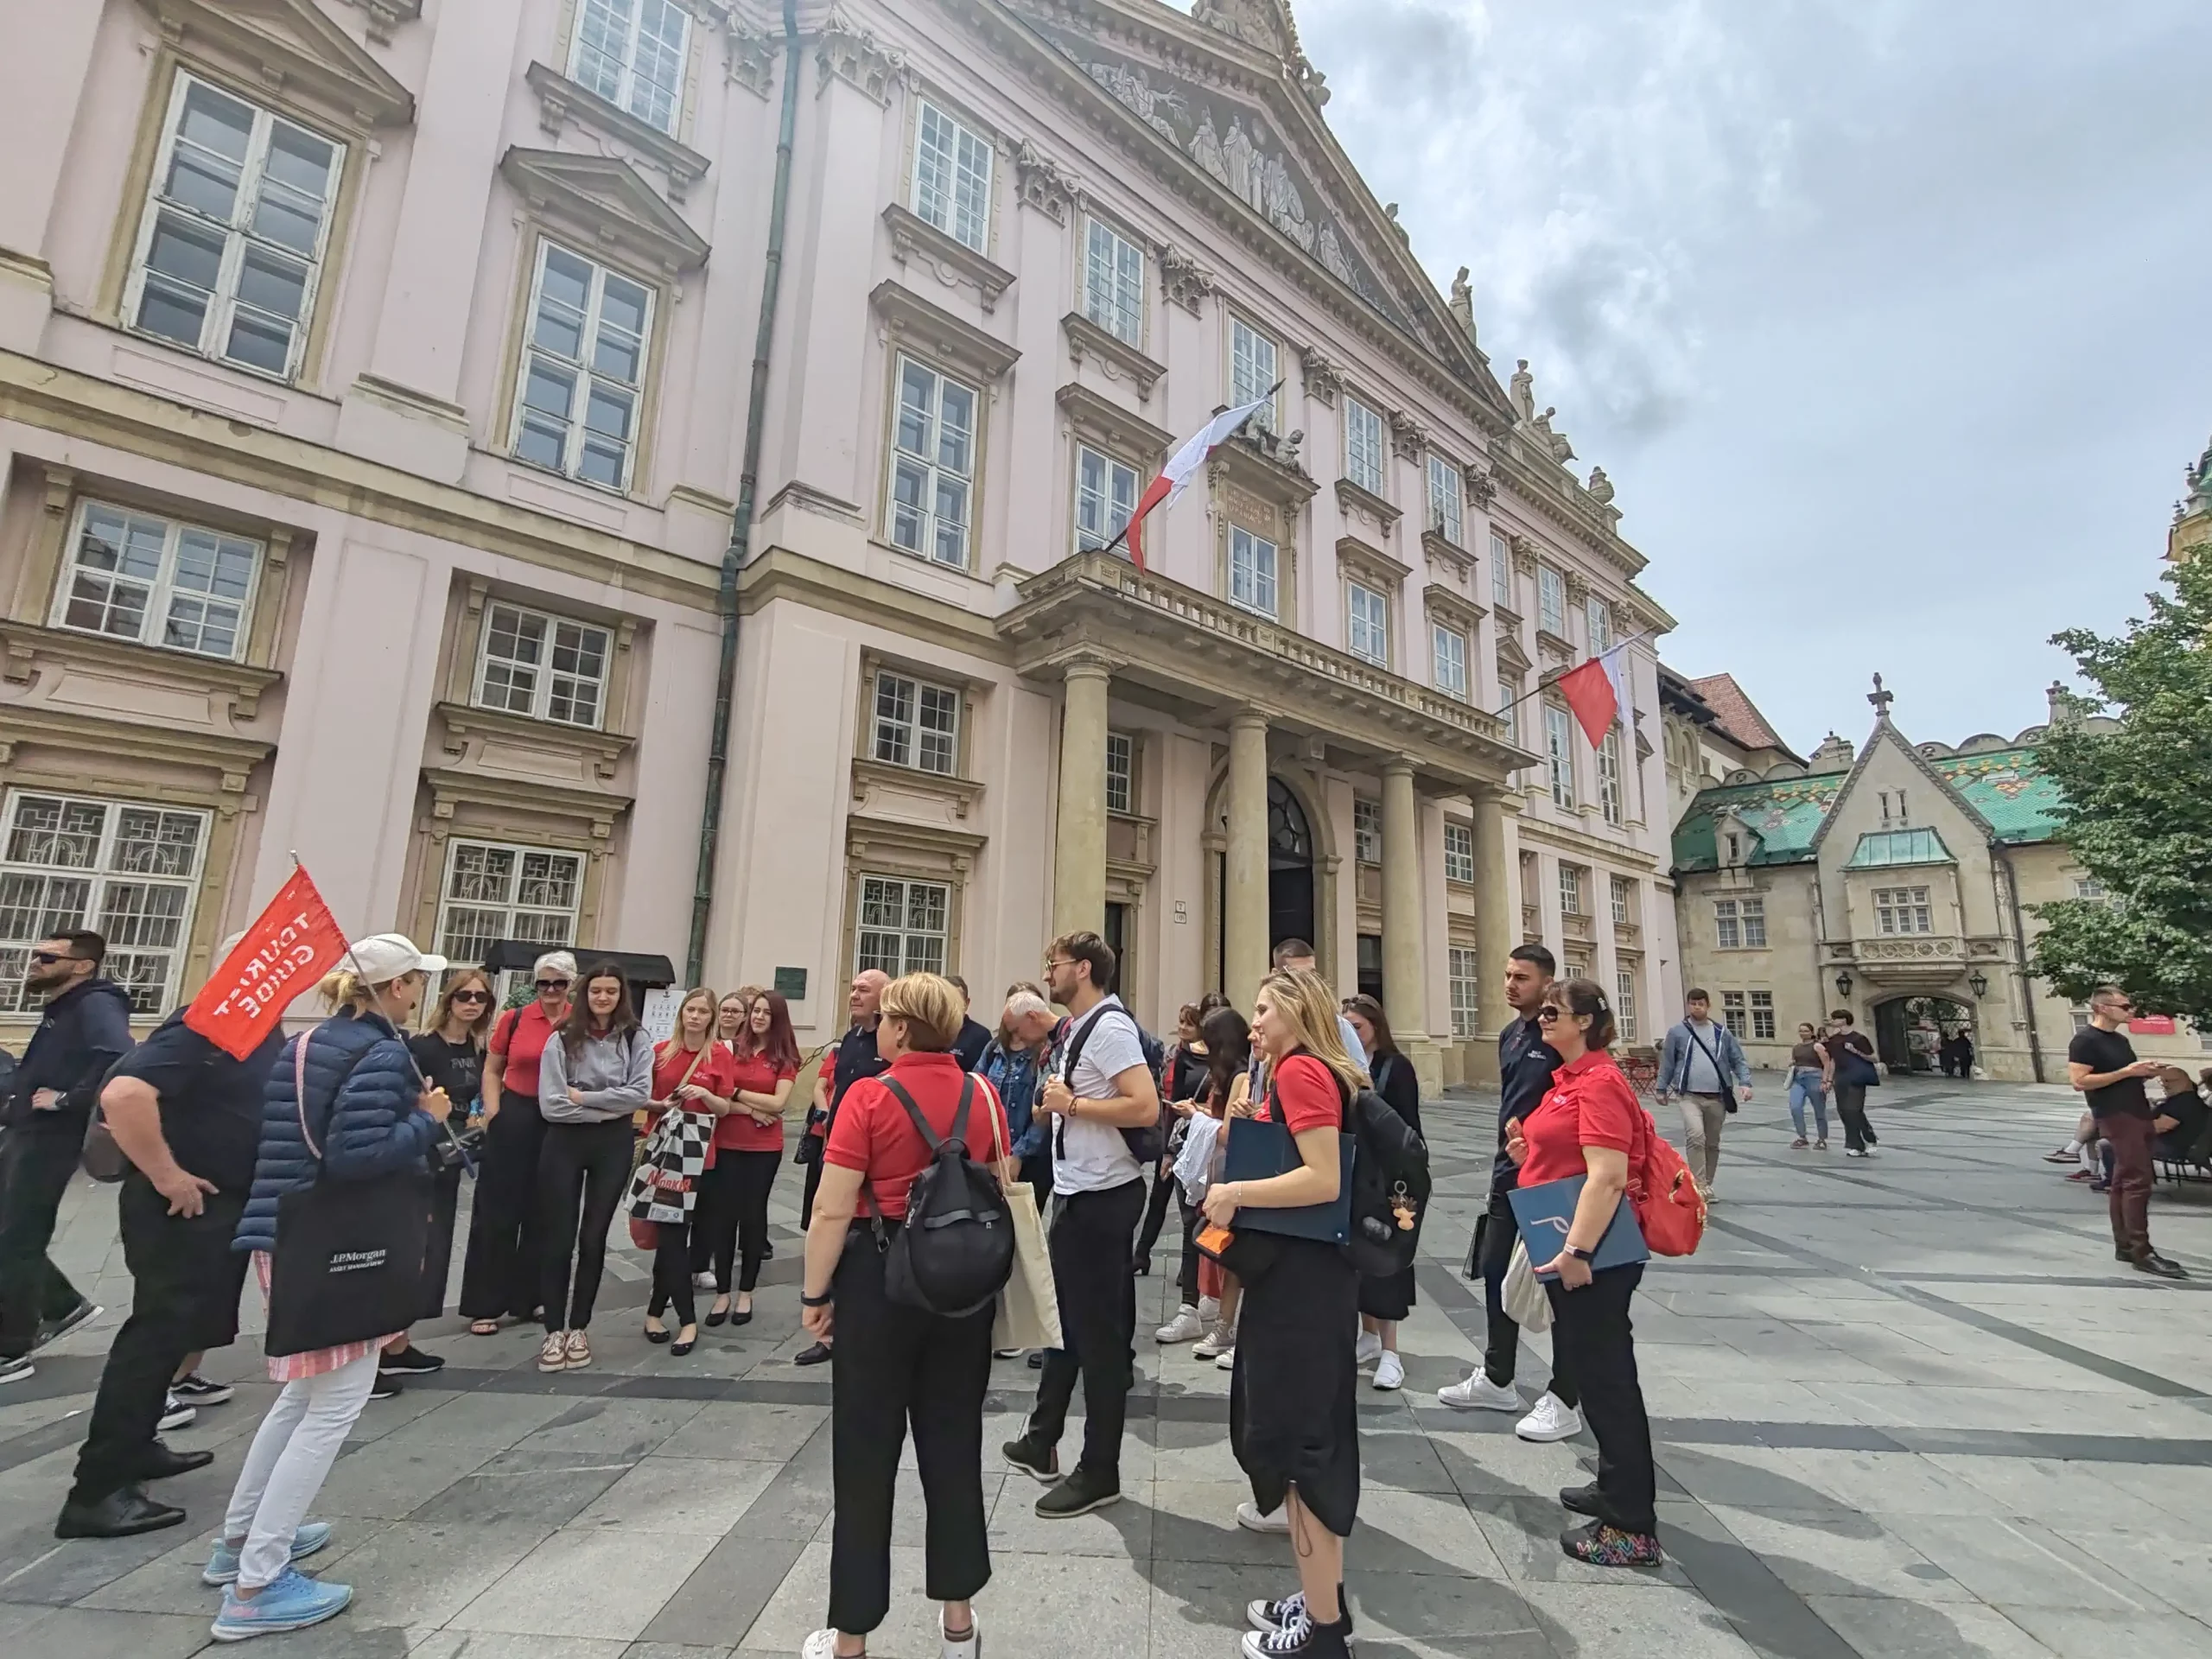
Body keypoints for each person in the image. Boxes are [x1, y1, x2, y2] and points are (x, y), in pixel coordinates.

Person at [207, 936, 454, 1638]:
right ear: (398, 987)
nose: (422, 992)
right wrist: (427, 1119)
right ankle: (257, 1584)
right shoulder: (380, 1052)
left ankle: (240, 1540)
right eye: (418, 981)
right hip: (334, 1243)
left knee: (301, 1397)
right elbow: (357, 1154)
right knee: (334, 1406)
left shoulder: (307, 1042)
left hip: (288, 1230)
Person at [798, 971, 1012, 1659]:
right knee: (954, 1445)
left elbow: (832, 1208)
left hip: (878, 1279)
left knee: (865, 1455)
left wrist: (814, 1295)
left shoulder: (868, 1094)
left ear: (900, 1027)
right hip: (961, 1287)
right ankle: (958, 1624)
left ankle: (852, 1637)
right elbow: (1002, 1184)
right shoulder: (982, 1092)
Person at [53, 951, 284, 1538]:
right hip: (183, 1209)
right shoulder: (207, 1021)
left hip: (219, 1204)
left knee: (178, 1334)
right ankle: (97, 1490)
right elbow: (124, 1094)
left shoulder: (257, 1026)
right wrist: (166, 1175)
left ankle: (137, 1447)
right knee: (155, 1338)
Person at [1208, 968, 1363, 1659]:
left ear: (1298, 1013)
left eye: (1264, 1009)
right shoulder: (1306, 1073)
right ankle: (1322, 1598)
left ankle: (1323, 1634)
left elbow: (1323, 1177)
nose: (1254, 1023)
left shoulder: (1301, 1071)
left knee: (1303, 1449)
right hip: (1310, 1282)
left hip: (1301, 1289)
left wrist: (1235, 1192)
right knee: (1311, 1439)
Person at [1003, 931, 1160, 1519]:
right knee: (1063, 1323)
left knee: (1098, 1340)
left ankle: (1101, 1469)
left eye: (1056, 963)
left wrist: (1072, 1105)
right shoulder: (1078, 1028)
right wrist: (1056, 1103)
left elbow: (1144, 1106)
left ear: (1085, 969)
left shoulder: (1111, 1029)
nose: (1049, 972)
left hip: (1103, 1197)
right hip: (1078, 1193)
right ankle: (1042, 1439)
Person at [1513, 976, 1665, 1568]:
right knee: (1595, 1374)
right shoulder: (1570, 1079)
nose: (1543, 1019)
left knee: (1608, 1383)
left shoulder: (1599, 1081)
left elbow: (1607, 1176)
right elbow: (1572, 1157)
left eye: (1554, 1012)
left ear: (1585, 1022)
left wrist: (1577, 1250)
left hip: (1594, 1253)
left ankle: (1631, 1527)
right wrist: (1530, 1154)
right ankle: (1612, 1485)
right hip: (1571, 1242)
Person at [1440, 944, 1582, 1445]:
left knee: (1559, 1286)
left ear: (1547, 983)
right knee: (1496, 1272)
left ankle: (1565, 1396)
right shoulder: (1510, 1035)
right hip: (1508, 1174)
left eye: (1522, 977)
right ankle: (1498, 1378)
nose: (1510, 984)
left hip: (1551, 1179)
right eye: (1507, 975)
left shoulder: (1559, 1037)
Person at [1, 931, 130, 1384]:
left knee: (17, 1238)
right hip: (25, 1130)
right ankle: (62, 1305)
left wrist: (67, 1100)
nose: (35, 962)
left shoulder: (96, 1004)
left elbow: (119, 1056)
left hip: (50, 1139)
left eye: (48, 957)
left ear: (82, 966)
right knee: (9, 1232)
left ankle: (11, 1347)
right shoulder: (64, 1007)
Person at [536, 963, 654, 1371]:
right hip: (565, 1142)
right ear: (585, 994)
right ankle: (554, 1329)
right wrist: (609, 1108)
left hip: (612, 1145)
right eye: (596, 991)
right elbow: (552, 1104)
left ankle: (579, 1326)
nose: (603, 998)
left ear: (621, 996)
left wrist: (585, 1099)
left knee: (593, 1236)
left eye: (611, 991)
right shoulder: (562, 1037)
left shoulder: (636, 1038)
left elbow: (639, 1094)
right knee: (558, 1236)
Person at [459, 952, 573, 1335]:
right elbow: (492, 1068)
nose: (551, 990)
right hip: (516, 1112)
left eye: (559, 983)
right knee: (497, 1209)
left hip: (559, 1119)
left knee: (547, 1211)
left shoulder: (580, 1022)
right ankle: (486, 1303)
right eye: (544, 983)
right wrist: (494, 1111)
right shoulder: (516, 1018)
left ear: (571, 985)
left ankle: (533, 1296)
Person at [796, 969, 892, 1365]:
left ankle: (860, 1329)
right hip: (836, 1148)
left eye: (863, 990)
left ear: (884, 997)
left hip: (870, 1159)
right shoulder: (850, 1039)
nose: (854, 995)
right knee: (828, 1231)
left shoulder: (888, 1042)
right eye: (852, 988)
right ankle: (828, 1334)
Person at [639, 988, 740, 1356]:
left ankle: (654, 1313)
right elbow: (640, 1098)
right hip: (663, 1152)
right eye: (690, 1010)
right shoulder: (660, 1052)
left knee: (677, 1236)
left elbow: (724, 1107)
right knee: (670, 1235)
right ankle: (687, 1320)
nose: (695, 1017)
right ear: (681, 1013)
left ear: (711, 1018)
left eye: (702, 1012)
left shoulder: (719, 1055)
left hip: (700, 1154)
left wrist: (703, 1093)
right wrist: (661, 1103)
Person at [696, 988, 798, 1325]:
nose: (758, 1017)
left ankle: (746, 1293)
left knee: (753, 1217)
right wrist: (750, 1107)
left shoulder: (783, 1057)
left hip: (763, 1148)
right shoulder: (730, 1049)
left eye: (766, 1013)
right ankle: (723, 1293)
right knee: (723, 1218)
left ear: (777, 1019)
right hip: (726, 1142)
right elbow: (718, 1095)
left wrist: (737, 1093)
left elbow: (778, 1103)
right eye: (755, 1011)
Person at [2069, 987, 2184, 1278]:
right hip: (2116, 1114)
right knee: (2137, 1181)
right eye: (2125, 1006)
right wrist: (2127, 1072)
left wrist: (2143, 1072)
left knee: (2123, 1181)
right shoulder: (2084, 1040)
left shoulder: (2120, 1040)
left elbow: (2123, 1076)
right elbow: (2080, 1081)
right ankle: (2141, 1251)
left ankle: (2125, 1245)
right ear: (2103, 1008)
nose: (2131, 1010)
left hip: (2137, 1110)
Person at [1159, 1005, 1250, 1351]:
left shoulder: (1239, 1077)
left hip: (1225, 1173)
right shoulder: (1224, 1075)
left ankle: (1212, 1313)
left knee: (1214, 1239)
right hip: (1212, 1170)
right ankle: (1199, 1304)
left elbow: (1227, 1131)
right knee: (1197, 1233)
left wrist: (1195, 1117)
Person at [1344, 994, 1419, 1393]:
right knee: (1360, 1256)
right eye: (1347, 1027)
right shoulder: (1345, 1066)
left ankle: (1391, 1351)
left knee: (1389, 1260)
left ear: (1376, 1026)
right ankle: (1369, 1335)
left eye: (1358, 1027)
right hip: (1357, 1175)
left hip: (1392, 1178)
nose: (1352, 1034)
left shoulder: (1396, 1067)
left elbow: (1409, 1128)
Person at [1656, 989, 1750, 1198]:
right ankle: (1698, 1184)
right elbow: (1668, 1062)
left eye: (1700, 1003)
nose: (1696, 1007)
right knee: (1696, 1136)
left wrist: (1745, 1083)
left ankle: (1707, 1182)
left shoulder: (1720, 1032)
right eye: (1693, 1003)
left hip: (1717, 1096)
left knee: (1712, 1142)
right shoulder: (1678, 1032)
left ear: (1708, 1005)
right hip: (1689, 1095)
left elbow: (1737, 1059)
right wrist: (1661, 1088)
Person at [1267, 940, 1367, 1071]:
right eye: (1297, 975)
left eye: (1312, 974)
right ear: (1276, 975)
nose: (1309, 981)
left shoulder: (1339, 1027)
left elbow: (1362, 1077)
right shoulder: (1265, 1027)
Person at [1821, 1010, 1881, 1158]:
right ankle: (1856, 1145)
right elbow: (1833, 1061)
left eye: (1835, 1019)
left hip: (1856, 1077)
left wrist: (1855, 1051)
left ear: (1844, 1020)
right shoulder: (1833, 1040)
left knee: (1854, 1110)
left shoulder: (1858, 1038)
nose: (1832, 1021)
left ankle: (1870, 1138)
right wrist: (1829, 1080)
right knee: (1843, 1111)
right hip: (1841, 1077)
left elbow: (1874, 1058)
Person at [1786, 1023, 1832, 1150]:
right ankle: (1802, 1137)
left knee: (1819, 1110)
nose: (1803, 1033)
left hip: (1815, 1078)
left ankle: (1822, 1138)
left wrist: (1825, 1081)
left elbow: (1827, 1063)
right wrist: (1792, 1064)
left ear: (1811, 1032)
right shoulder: (1796, 1047)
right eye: (1801, 1031)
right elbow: (1795, 1060)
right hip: (1799, 1079)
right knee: (1795, 1107)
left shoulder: (1817, 1046)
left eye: (1806, 1031)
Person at [946, 976, 994, 1071]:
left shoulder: (980, 1036)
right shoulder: (930, 1033)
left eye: (956, 1001)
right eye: (946, 1000)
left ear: (966, 1003)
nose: (951, 1006)